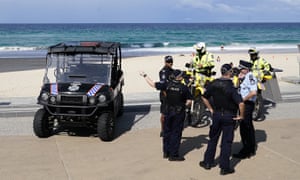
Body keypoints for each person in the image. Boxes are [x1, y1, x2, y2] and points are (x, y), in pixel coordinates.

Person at [199, 64, 245, 175]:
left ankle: (208, 162)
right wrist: (241, 116)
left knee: (213, 139)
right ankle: (224, 167)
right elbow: (241, 103)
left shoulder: (213, 83)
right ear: (229, 73)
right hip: (229, 116)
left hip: (217, 114)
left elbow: (204, 96)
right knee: (226, 142)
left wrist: (210, 109)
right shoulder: (231, 87)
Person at [140, 69, 192, 161]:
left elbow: (152, 84)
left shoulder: (166, 85)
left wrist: (145, 75)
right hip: (178, 113)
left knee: (167, 132)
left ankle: (166, 152)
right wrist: (185, 106)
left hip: (168, 111)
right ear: (179, 77)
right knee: (176, 133)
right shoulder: (184, 88)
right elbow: (189, 101)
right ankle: (174, 155)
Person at [233, 60, 258, 159]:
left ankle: (247, 150)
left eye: (241, 69)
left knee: (245, 127)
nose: (240, 70)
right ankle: (249, 148)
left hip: (247, 104)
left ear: (246, 69)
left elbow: (253, 92)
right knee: (246, 126)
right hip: (244, 103)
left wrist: (242, 100)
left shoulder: (250, 76)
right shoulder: (244, 76)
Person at [158, 55, 174, 137]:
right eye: (168, 62)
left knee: (171, 112)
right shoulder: (163, 72)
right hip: (165, 95)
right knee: (164, 113)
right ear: (165, 62)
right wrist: (167, 96)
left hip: (172, 94)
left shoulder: (172, 71)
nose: (170, 63)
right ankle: (162, 130)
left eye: (171, 61)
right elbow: (163, 86)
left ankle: (169, 128)